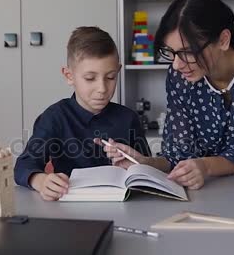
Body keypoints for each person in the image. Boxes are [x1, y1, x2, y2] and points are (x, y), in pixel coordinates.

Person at [99, 0, 234, 190]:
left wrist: (205, 166)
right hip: (206, 191)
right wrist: (145, 164)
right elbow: (179, 155)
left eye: (187, 52)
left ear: (223, 40)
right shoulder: (181, 74)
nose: (176, 65)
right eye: (171, 53)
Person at [14, 26, 151, 201]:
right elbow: (23, 165)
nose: (102, 89)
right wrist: (40, 181)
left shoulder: (128, 118)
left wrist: (135, 166)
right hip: (70, 207)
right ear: (69, 75)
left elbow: (148, 171)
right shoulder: (54, 117)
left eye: (110, 77)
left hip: (124, 205)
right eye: (90, 78)